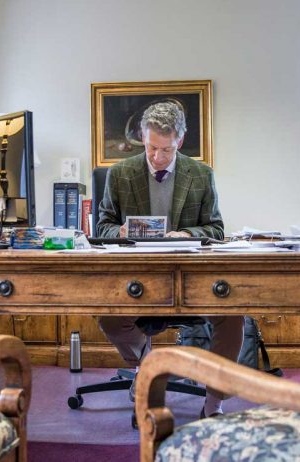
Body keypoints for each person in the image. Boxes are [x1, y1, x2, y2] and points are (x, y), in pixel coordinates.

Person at [97, 100, 243, 418]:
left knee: (233, 319)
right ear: (142, 138)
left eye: (166, 149)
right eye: (151, 148)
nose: (158, 157)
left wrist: (188, 235)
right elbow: (102, 226)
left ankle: (213, 403)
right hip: (138, 277)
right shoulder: (120, 174)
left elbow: (216, 228)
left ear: (179, 140)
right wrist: (119, 231)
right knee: (109, 318)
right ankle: (146, 368)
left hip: (190, 277)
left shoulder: (201, 175)